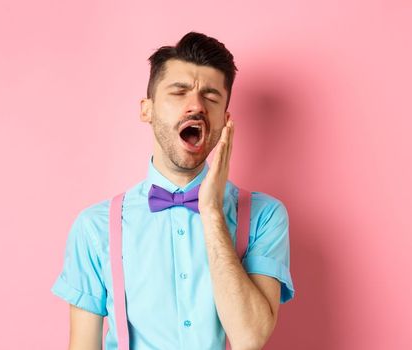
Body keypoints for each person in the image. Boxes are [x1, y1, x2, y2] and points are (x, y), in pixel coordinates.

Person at [51, 32, 295, 350]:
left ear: (225, 119)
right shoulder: (95, 226)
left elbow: (250, 338)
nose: (195, 106)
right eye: (179, 93)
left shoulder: (265, 215)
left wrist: (211, 212)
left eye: (210, 97)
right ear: (147, 110)